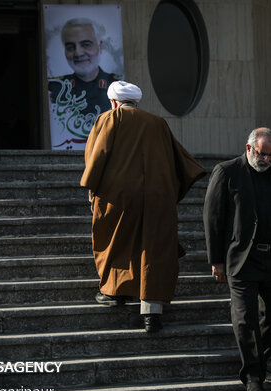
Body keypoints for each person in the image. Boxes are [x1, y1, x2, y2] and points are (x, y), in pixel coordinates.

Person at [80, 80, 206, 333]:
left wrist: (91, 189)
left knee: (118, 242)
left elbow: (97, 156)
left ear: (114, 102)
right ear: (137, 102)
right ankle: (152, 312)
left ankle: (116, 293)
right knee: (154, 249)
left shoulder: (109, 118)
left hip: (120, 197)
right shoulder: (157, 123)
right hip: (158, 196)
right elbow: (178, 160)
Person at [203, 127, 271, 391]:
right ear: (249, 149)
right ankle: (253, 379)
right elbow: (212, 218)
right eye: (262, 154)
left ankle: (259, 362)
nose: (267, 160)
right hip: (241, 260)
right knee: (246, 320)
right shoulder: (227, 171)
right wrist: (216, 260)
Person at [48, 18, 121, 149]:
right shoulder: (55, 90)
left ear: (100, 46)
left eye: (86, 44)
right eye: (70, 47)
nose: (78, 53)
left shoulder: (116, 85)